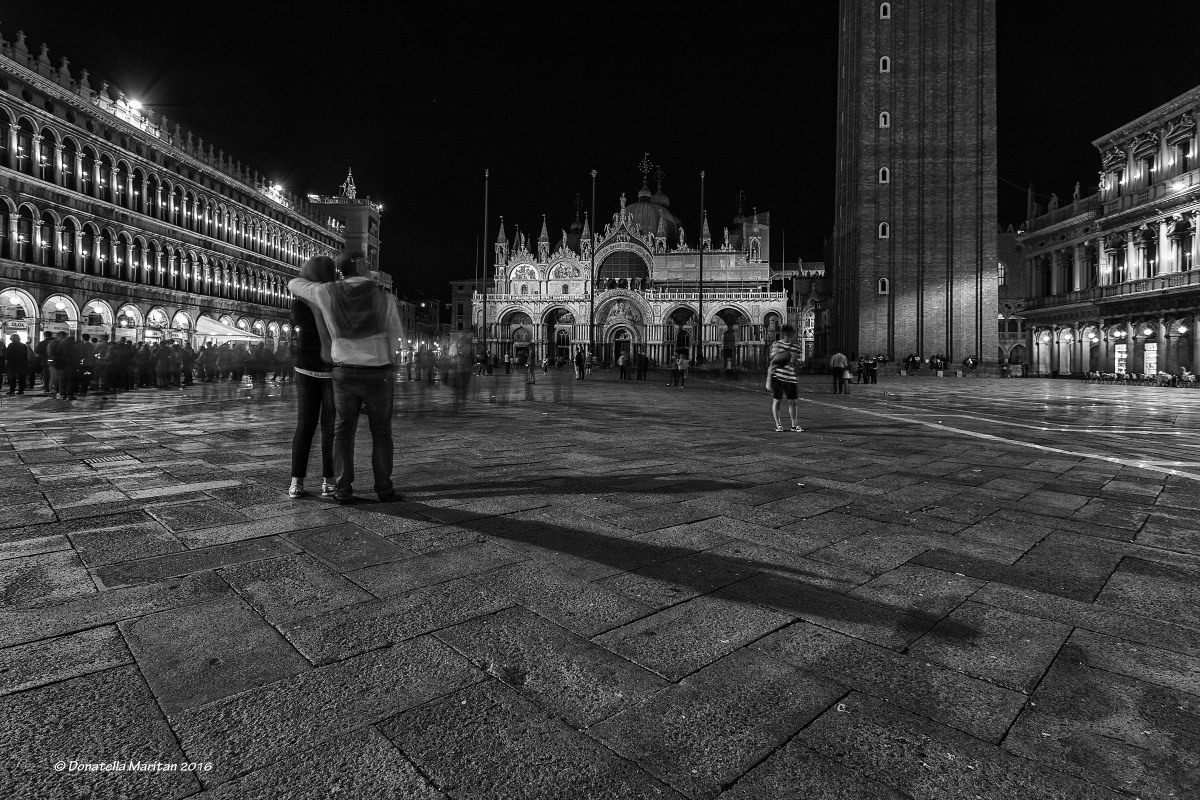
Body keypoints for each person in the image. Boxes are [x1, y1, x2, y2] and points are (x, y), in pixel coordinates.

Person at [289, 251, 404, 504]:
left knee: (343, 432)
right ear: (362, 266)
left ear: (341, 271)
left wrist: (312, 274)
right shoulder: (383, 297)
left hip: (344, 373)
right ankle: (384, 489)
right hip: (378, 374)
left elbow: (294, 284)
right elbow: (396, 340)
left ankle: (342, 490)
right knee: (381, 433)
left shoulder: (327, 292)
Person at [288, 256, 338, 499]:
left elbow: (293, 283)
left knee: (305, 426)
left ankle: (296, 481)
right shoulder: (336, 299)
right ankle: (329, 481)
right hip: (331, 369)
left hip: (306, 368)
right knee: (330, 428)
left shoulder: (300, 301)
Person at [765, 324, 804, 432]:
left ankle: (794, 425)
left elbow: (798, 364)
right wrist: (785, 356)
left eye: (790, 333)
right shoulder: (776, 345)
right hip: (778, 377)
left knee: (793, 402)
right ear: (784, 333)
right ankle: (778, 424)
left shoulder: (796, 347)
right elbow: (773, 360)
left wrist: (794, 361)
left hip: (791, 378)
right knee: (777, 400)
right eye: (787, 333)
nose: (789, 335)